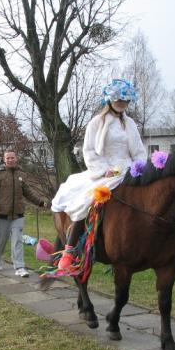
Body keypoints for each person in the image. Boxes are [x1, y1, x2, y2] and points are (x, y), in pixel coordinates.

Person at [52, 79, 147, 270]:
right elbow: (89, 151)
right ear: (109, 99)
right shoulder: (97, 122)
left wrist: (140, 167)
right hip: (104, 171)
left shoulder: (130, 124)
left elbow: (138, 151)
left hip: (129, 171)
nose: (121, 102)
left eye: (125, 100)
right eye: (118, 98)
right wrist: (104, 170)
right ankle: (70, 250)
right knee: (86, 202)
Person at [0, 150, 46, 277]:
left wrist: (40, 202)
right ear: (4, 159)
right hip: (2, 214)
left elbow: (28, 192)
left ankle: (19, 267)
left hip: (18, 214)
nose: (10, 160)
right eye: (8, 158)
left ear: (16, 158)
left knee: (17, 241)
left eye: (12, 157)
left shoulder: (21, 174)